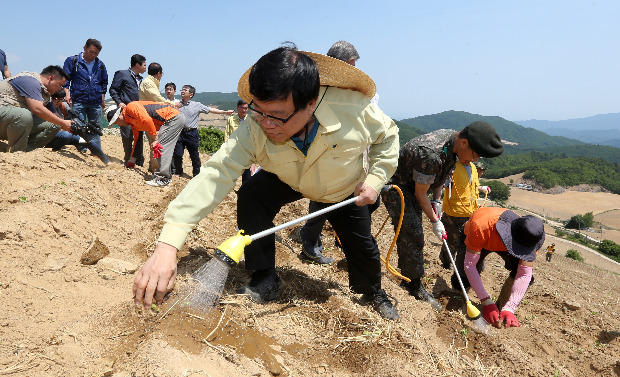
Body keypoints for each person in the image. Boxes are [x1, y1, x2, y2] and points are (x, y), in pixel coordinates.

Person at [132, 45, 401, 320]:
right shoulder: (255, 125)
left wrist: (376, 178)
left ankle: (373, 292)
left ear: (310, 103)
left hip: (342, 187)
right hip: (286, 177)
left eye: (277, 115)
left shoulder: (352, 109)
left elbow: (388, 137)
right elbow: (217, 172)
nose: (267, 124)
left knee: (362, 244)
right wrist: (168, 244)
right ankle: (265, 276)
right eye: (258, 111)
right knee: (251, 195)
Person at [381, 123, 504, 309]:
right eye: (475, 155)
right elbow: (420, 194)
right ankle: (412, 284)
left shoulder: (453, 144)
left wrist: (437, 200)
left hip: (420, 186)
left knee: (414, 230)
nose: (476, 160)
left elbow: (441, 176)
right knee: (413, 233)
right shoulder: (431, 154)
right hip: (399, 187)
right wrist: (435, 221)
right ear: (464, 142)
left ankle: (411, 278)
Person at [295, 40, 371, 266]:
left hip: (350, 154)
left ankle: (320, 241)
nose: (356, 68)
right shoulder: (318, 86)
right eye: (352, 63)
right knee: (322, 200)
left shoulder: (357, 89)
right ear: (342, 63)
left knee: (351, 201)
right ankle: (310, 244)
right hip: (326, 152)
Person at [456, 207, 544, 328]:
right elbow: (469, 265)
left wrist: (510, 308)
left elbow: (524, 274)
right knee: (461, 278)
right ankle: (459, 301)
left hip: (504, 242)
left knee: (525, 278)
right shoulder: (481, 226)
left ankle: (499, 313)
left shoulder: (530, 237)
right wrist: (486, 301)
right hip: (479, 237)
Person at [105, 101, 185, 186]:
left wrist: (154, 139)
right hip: (172, 119)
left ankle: (163, 178)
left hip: (173, 117)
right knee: (160, 146)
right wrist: (132, 160)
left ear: (119, 116)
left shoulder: (130, 108)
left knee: (160, 146)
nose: (118, 125)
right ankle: (164, 176)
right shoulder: (132, 122)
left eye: (116, 122)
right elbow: (137, 140)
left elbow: (147, 120)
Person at [0, 65, 73, 152]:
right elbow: (36, 108)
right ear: (51, 78)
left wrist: (72, 126)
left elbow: (56, 117)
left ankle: (26, 151)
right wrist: (62, 122)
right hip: (4, 116)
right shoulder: (29, 80)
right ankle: (18, 152)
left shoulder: (45, 94)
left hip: (10, 123)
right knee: (23, 114)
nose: (60, 89)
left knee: (55, 124)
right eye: (60, 85)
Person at [437, 160, 491, 269]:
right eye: (481, 170)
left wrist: (481, 188)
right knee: (452, 241)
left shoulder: (473, 170)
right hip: (453, 215)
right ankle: (446, 263)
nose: (482, 173)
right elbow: (440, 184)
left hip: (470, 214)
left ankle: (463, 267)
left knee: (467, 243)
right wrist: (436, 201)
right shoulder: (453, 168)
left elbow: (471, 189)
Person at [172, 84, 233, 177]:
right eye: (182, 90)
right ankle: (178, 172)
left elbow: (211, 110)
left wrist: (224, 112)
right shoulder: (177, 105)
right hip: (179, 133)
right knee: (177, 154)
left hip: (191, 133)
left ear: (191, 94)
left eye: (185, 90)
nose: (182, 91)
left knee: (194, 155)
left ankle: (197, 174)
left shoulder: (197, 105)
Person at [62, 38, 108, 150]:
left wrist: (102, 99)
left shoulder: (100, 65)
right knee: (79, 126)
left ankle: (96, 151)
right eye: (91, 51)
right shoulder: (73, 61)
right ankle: (81, 149)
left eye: (96, 53)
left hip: (95, 101)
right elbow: (65, 80)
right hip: (78, 99)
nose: (93, 55)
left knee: (95, 127)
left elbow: (103, 83)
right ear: (84, 48)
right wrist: (66, 94)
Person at [45, 90, 109, 164]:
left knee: (85, 139)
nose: (58, 101)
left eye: (61, 99)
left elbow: (73, 117)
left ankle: (106, 161)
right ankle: (55, 151)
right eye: (56, 99)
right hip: (48, 137)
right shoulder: (45, 107)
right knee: (67, 135)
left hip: (64, 135)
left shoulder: (63, 106)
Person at [109, 54, 147, 168]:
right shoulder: (122, 74)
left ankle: (138, 161)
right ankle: (128, 160)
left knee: (139, 136)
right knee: (127, 136)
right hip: (126, 111)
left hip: (139, 111)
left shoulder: (141, 79)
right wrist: (120, 102)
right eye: (144, 65)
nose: (146, 67)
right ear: (137, 64)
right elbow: (113, 90)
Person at [225, 100, 255, 182]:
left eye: (246, 108)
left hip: (246, 150)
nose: (244, 110)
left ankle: (244, 190)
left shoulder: (251, 120)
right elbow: (227, 134)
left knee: (246, 172)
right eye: (242, 107)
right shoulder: (231, 120)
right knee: (232, 170)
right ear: (238, 108)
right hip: (233, 149)